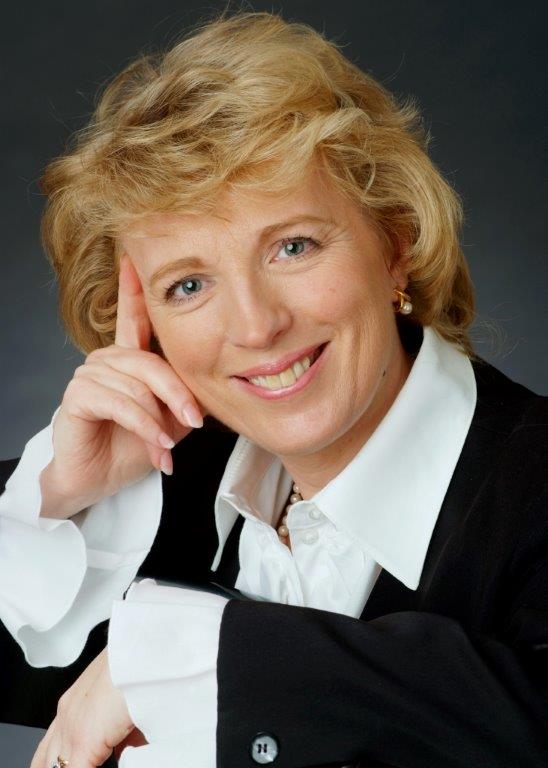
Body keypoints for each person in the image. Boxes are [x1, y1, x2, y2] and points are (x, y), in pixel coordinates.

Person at [0, 9, 546, 768]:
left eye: (293, 246)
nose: (256, 327)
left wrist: (201, 658)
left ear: (395, 244)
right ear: (149, 325)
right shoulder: (164, 486)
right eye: (189, 285)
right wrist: (64, 493)